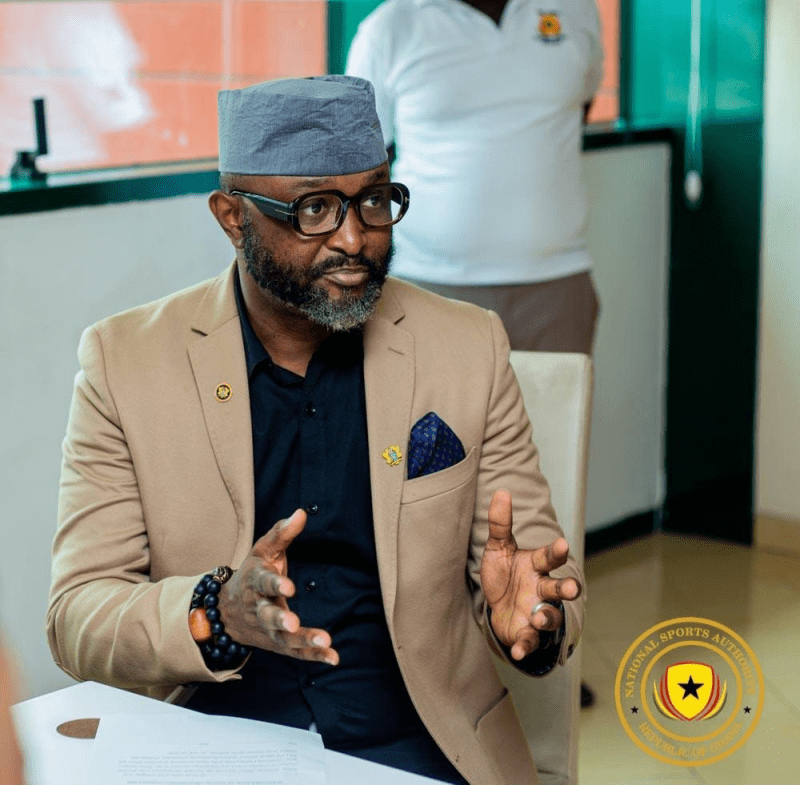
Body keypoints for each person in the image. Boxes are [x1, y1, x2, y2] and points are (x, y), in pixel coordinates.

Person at [47, 75, 584, 785]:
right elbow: (77, 614)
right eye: (315, 210)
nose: (355, 238)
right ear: (232, 217)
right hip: (212, 741)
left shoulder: (466, 347)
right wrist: (215, 613)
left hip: (415, 740)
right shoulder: (125, 362)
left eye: (374, 200)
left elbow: (533, 572)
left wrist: (536, 619)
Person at [346, 0, 603, 355]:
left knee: (558, 395)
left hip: (555, 286)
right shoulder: (390, 27)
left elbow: (579, 105)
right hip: (426, 287)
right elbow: (363, 168)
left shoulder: (576, 9)